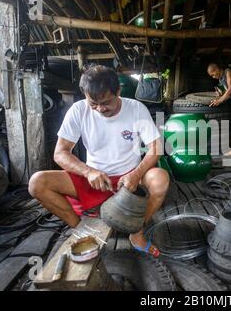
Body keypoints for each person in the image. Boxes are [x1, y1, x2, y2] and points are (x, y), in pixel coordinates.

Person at [28, 65, 169, 257]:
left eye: (106, 102)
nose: (100, 109)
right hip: (94, 180)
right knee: (37, 183)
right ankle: (82, 231)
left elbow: (156, 147)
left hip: (128, 181)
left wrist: (135, 174)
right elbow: (60, 153)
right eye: (93, 103)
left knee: (160, 179)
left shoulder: (136, 109)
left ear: (118, 91)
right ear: (85, 95)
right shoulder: (78, 110)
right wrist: (88, 172)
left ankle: (137, 232)